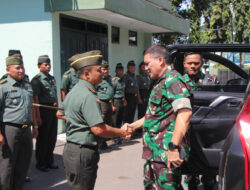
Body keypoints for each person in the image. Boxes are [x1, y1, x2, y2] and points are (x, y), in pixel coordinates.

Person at [56, 50, 132, 190]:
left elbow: (63, 114)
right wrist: (122, 132)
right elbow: (99, 129)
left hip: (72, 150)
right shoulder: (87, 95)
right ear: (87, 74)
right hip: (82, 153)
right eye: (98, 70)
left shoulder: (74, 91)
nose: (102, 73)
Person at [124, 44, 192, 189]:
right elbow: (153, 115)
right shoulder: (160, 82)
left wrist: (173, 147)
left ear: (160, 60)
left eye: (148, 64)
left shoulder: (173, 80)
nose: (146, 67)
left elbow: (185, 113)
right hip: (154, 153)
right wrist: (133, 126)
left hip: (166, 153)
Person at [0, 54, 38, 190]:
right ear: (8, 69)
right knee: (7, 165)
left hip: (26, 129)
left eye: (22, 67)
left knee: (23, 163)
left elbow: (31, 107)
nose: (21, 70)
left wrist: (35, 126)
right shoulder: (3, 87)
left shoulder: (27, 86)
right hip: (10, 129)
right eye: (17, 68)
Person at [182, 52, 219, 190]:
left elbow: (219, 100)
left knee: (209, 173)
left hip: (207, 128)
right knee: (190, 173)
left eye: (196, 63)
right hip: (187, 129)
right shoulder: (179, 81)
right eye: (190, 63)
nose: (193, 66)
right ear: (184, 64)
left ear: (202, 64)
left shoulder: (211, 80)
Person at [31, 55, 58, 172]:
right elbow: (35, 99)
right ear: (39, 66)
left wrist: (57, 107)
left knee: (52, 137)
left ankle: (49, 160)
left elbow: (55, 94)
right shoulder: (36, 80)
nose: (48, 67)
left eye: (49, 64)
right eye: (45, 65)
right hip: (43, 110)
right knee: (43, 138)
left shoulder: (52, 78)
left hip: (52, 110)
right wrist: (37, 117)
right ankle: (41, 163)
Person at [96, 61, 115, 149]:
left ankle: (105, 141)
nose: (105, 71)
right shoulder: (98, 79)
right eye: (103, 69)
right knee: (102, 122)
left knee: (108, 121)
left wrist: (112, 104)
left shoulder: (110, 79)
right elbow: (94, 91)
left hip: (109, 102)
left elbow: (111, 91)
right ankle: (101, 143)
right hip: (102, 103)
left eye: (107, 69)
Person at [112, 63, 127, 144]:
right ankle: (115, 137)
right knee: (115, 120)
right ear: (116, 71)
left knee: (120, 119)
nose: (120, 72)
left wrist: (124, 100)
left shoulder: (123, 80)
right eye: (119, 70)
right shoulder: (114, 81)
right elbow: (111, 94)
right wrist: (112, 105)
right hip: (116, 101)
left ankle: (118, 136)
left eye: (121, 70)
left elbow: (122, 91)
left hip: (121, 101)